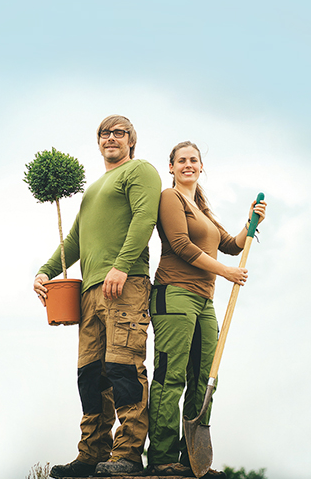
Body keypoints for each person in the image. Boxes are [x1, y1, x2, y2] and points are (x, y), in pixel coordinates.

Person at [33, 116, 161, 478]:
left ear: (131, 140)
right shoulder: (93, 189)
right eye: (105, 133)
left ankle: (129, 454)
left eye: (119, 133)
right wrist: (45, 271)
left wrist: (121, 266)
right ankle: (91, 453)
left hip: (125, 285)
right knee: (90, 375)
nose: (111, 139)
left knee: (123, 367)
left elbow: (144, 217)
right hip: (89, 292)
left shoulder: (139, 170)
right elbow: (74, 240)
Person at [147, 141, 266, 477]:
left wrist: (251, 222)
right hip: (175, 295)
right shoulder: (169, 198)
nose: (188, 165)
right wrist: (226, 272)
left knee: (205, 378)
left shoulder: (202, 209)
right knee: (171, 376)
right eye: (181, 160)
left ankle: (192, 458)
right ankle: (163, 456)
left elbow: (230, 244)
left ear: (201, 167)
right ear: (171, 167)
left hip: (204, 303)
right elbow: (181, 245)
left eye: (194, 160)